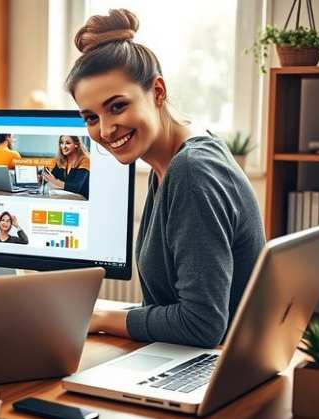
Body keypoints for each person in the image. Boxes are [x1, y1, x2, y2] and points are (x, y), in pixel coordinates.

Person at [69, 10, 264, 348]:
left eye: (117, 106)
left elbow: (202, 324)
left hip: (214, 368)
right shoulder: (169, 164)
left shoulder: (192, 170)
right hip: (193, 359)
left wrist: (101, 317)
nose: (104, 130)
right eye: (90, 117)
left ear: (157, 91)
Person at [41, 135, 91, 199]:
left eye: (68, 143)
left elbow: (76, 187)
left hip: (81, 198)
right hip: (65, 194)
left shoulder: (85, 160)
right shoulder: (60, 160)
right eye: (61, 143)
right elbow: (47, 174)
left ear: (76, 144)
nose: (63, 147)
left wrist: (56, 182)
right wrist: (40, 177)